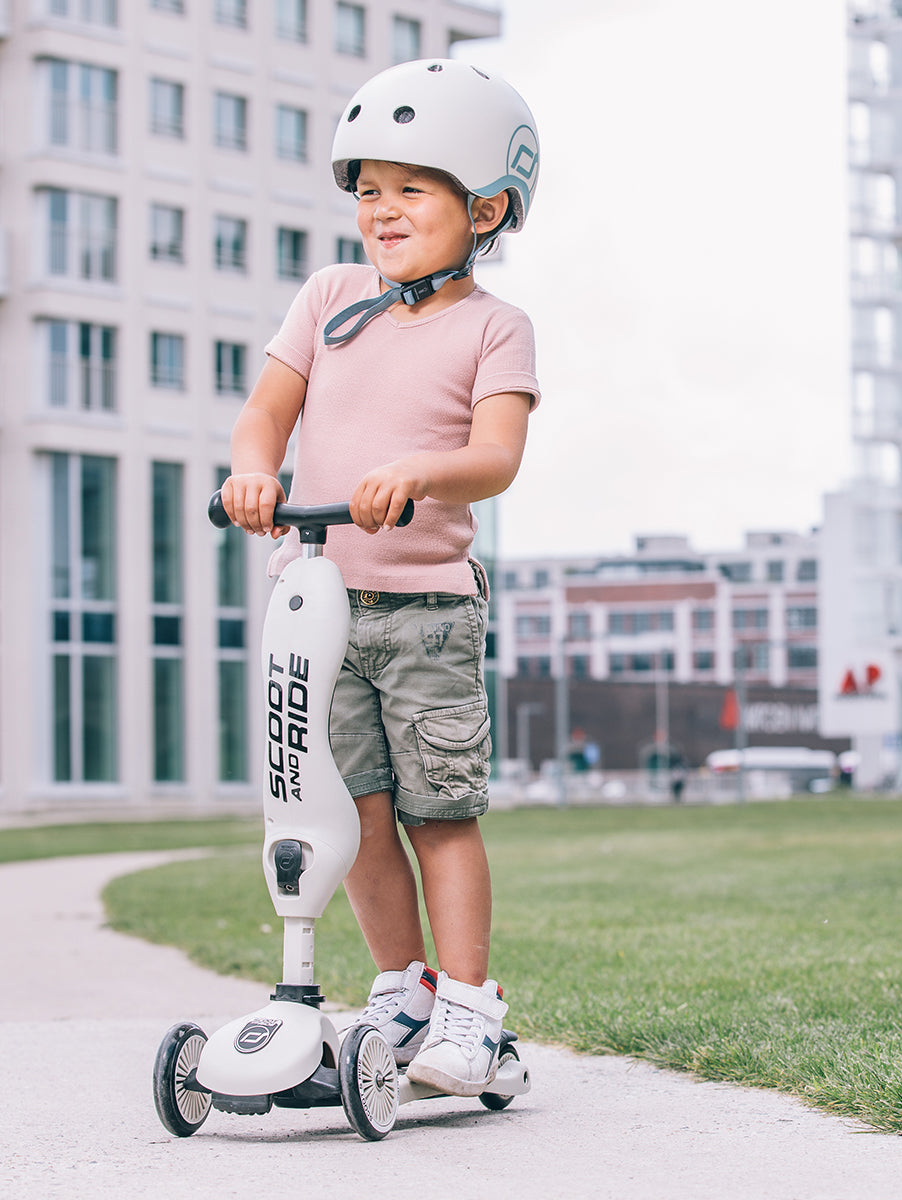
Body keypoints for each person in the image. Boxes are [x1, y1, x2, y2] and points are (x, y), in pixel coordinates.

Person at [219, 58, 540, 1097]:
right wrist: (253, 469)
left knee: (437, 811)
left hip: (426, 611)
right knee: (348, 816)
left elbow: (495, 456)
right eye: (369, 189)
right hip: (314, 600)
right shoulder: (328, 299)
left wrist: (418, 471)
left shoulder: (494, 327)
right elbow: (268, 409)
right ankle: (399, 989)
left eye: (413, 186)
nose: (383, 209)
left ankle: (467, 1010)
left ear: (485, 204)